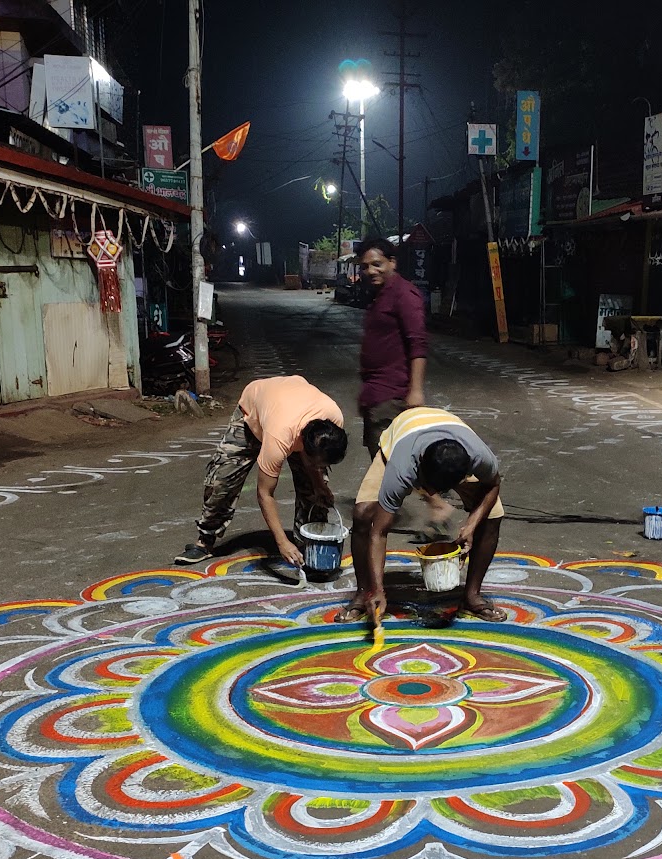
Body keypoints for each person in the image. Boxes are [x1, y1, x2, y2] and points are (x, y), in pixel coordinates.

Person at [341, 406, 506, 623]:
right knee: (363, 514)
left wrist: (471, 525)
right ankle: (364, 594)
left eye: (438, 491)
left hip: (450, 433)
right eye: (427, 487)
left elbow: (493, 483)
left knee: (492, 516)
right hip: (403, 431)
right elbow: (379, 532)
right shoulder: (402, 468)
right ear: (419, 467)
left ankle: (472, 596)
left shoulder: (479, 457)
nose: (430, 494)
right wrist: (378, 590)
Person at [174, 375, 348, 567]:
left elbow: (315, 464)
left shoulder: (334, 421)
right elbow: (265, 493)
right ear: (303, 449)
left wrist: (319, 485)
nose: (317, 467)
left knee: (316, 492)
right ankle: (205, 541)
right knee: (222, 480)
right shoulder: (280, 436)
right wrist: (282, 542)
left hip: (290, 408)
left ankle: (309, 545)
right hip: (253, 413)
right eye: (314, 462)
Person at [355, 236, 452, 539]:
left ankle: (433, 505)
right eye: (366, 266)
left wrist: (416, 390)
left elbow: (418, 344)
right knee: (388, 455)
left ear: (393, 262)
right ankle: (420, 505)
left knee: (390, 457)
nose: (371, 271)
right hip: (376, 391)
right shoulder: (379, 296)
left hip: (392, 391)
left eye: (377, 264)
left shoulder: (404, 294)